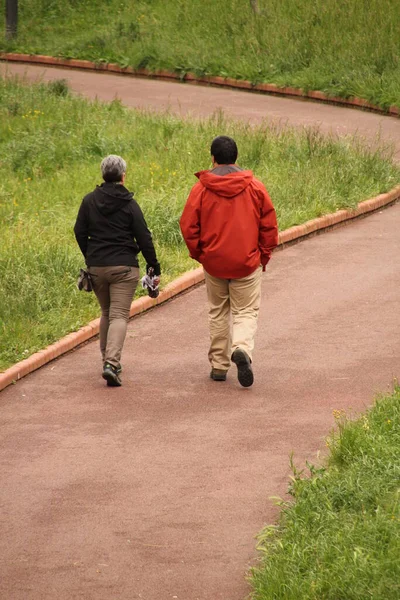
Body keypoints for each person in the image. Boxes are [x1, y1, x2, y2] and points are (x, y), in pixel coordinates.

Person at [180, 136, 278, 387]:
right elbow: (269, 225)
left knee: (218, 312)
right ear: (236, 158)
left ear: (212, 158)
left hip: (214, 263)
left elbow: (188, 226)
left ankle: (219, 366)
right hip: (247, 263)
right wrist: (262, 256)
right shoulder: (255, 186)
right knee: (245, 311)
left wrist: (200, 254)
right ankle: (242, 347)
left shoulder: (201, 189)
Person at [74, 155, 160, 387]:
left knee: (106, 312)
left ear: (103, 174)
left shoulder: (89, 200)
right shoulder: (129, 204)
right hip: (124, 267)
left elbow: (79, 231)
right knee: (119, 315)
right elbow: (144, 237)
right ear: (123, 176)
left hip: (97, 267)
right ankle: (111, 363)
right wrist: (154, 266)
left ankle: (108, 361)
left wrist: (90, 255)